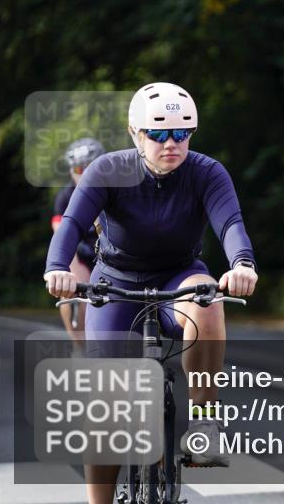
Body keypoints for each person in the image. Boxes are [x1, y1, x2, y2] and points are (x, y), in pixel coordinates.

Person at [43, 82, 258, 504]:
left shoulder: (207, 172)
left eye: (182, 133)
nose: (171, 143)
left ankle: (204, 422)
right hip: (116, 284)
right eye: (158, 134)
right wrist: (57, 268)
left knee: (207, 301)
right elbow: (69, 225)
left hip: (179, 277)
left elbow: (230, 224)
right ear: (135, 133)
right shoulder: (108, 170)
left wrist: (242, 264)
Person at [50, 137, 106, 341]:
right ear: (72, 172)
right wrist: (70, 270)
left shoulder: (117, 189)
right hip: (83, 255)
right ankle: (78, 345)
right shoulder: (65, 197)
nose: (86, 175)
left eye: (92, 168)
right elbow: (61, 236)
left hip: (114, 255)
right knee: (71, 289)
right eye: (80, 170)